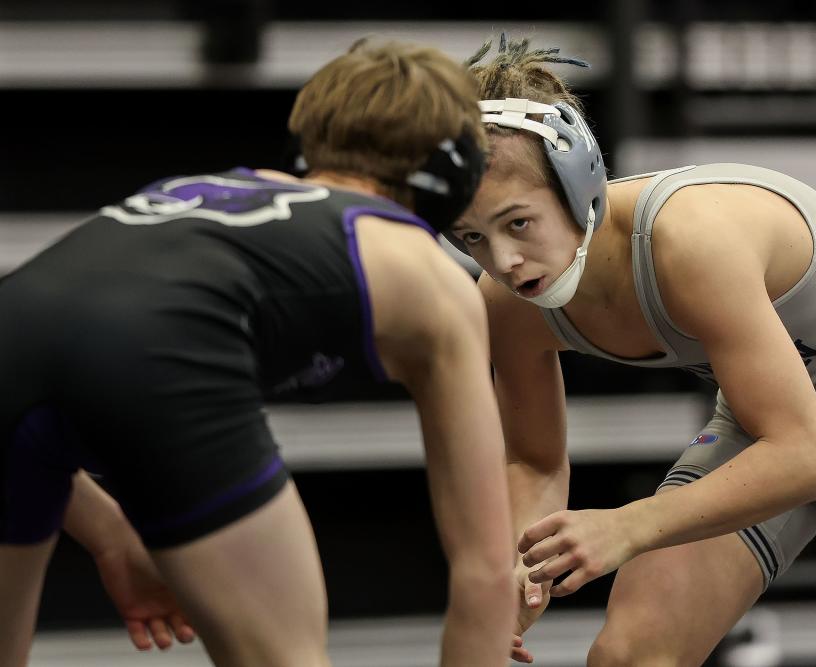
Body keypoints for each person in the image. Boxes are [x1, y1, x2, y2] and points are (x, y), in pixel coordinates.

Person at [0, 39, 517, 667]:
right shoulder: (426, 273)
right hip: (161, 358)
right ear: (459, 168)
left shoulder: (195, 192)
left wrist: (112, 535)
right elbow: (485, 569)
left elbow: (60, 351)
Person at [447, 35, 816, 666]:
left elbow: (807, 458)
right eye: (472, 237)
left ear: (580, 182)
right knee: (631, 655)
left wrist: (625, 526)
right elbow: (533, 461)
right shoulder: (506, 304)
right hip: (766, 420)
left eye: (517, 222)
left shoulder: (689, 238)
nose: (503, 260)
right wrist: (520, 568)